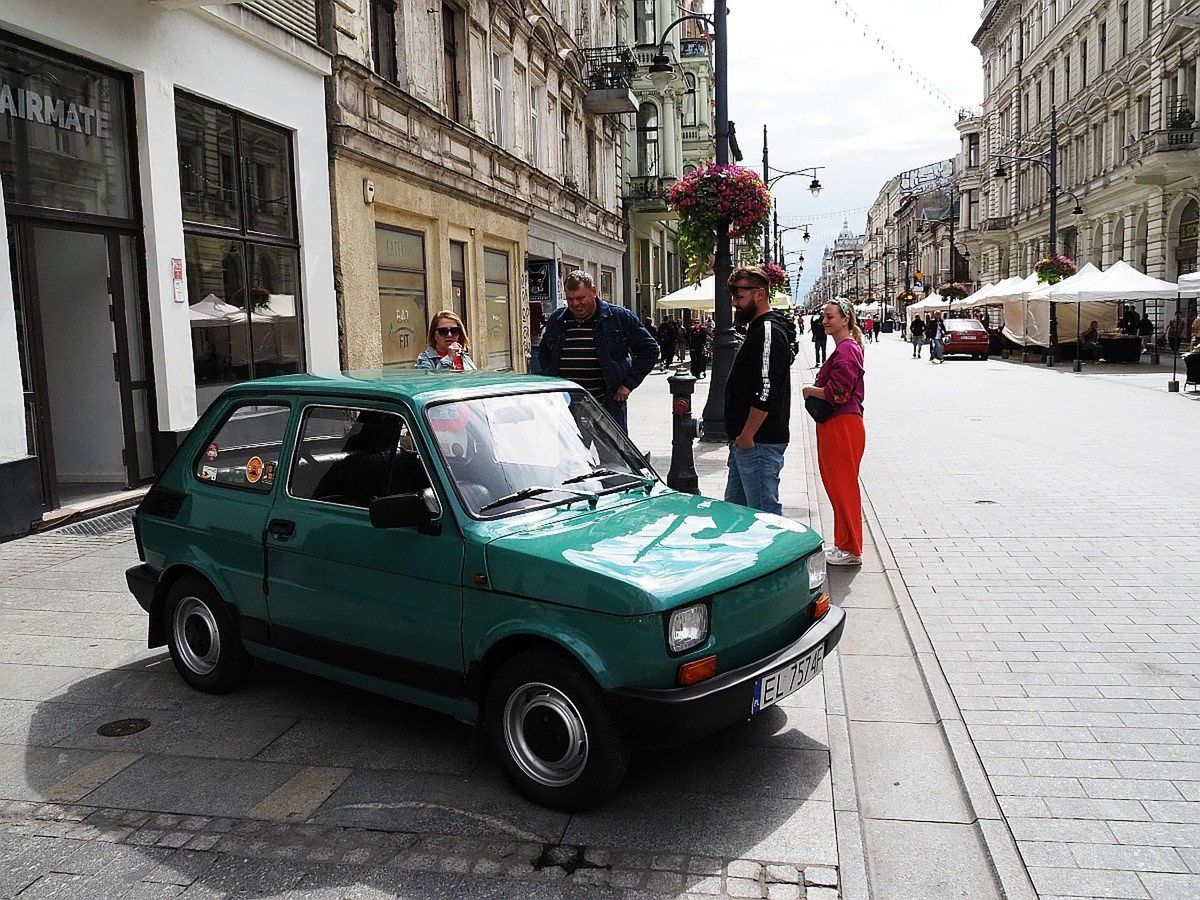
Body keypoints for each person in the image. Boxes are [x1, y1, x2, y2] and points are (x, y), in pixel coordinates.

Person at [538, 270, 658, 433]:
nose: (575, 304)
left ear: (593, 291)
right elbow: (544, 352)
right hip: (568, 407)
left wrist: (628, 385)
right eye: (570, 299)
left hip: (607, 404)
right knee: (572, 457)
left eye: (580, 298)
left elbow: (649, 349)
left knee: (613, 456)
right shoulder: (558, 320)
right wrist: (550, 382)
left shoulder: (618, 317)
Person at [723, 266, 792, 515]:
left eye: (739, 296)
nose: (734, 303)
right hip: (747, 443)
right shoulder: (759, 329)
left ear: (759, 294)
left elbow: (766, 387)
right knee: (734, 515)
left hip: (757, 443)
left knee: (765, 518)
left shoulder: (768, 331)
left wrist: (747, 435)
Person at [803, 299, 866, 566]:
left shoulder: (847, 350)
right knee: (836, 486)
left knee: (843, 487)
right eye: (824, 317)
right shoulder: (844, 348)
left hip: (842, 424)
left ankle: (851, 549)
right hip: (838, 424)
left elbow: (839, 393)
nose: (825, 321)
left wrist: (810, 390)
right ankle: (843, 543)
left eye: (830, 317)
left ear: (845, 320)